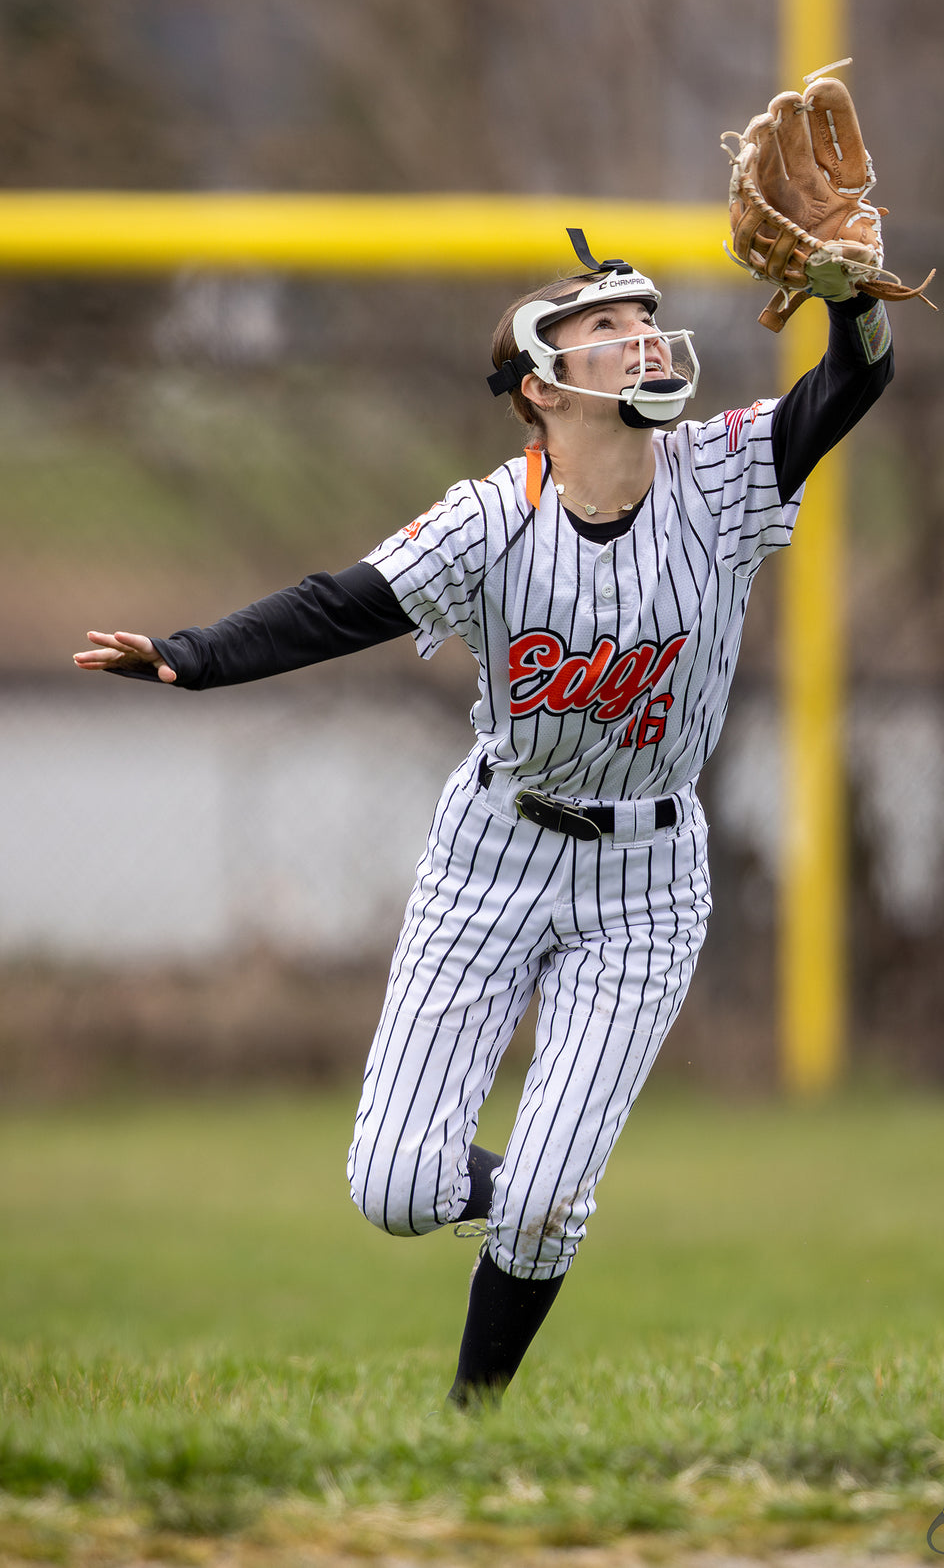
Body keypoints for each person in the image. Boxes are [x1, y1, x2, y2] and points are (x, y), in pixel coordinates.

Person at [74, 227, 893, 1408]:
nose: (637, 336)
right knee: (396, 1187)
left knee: (555, 1193)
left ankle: (475, 1423)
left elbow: (852, 381)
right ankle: (538, 1200)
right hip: (492, 856)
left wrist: (851, 298)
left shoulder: (721, 472)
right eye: (601, 327)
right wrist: (190, 657)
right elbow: (334, 606)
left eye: (641, 317)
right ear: (537, 388)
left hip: (648, 876)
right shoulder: (489, 520)